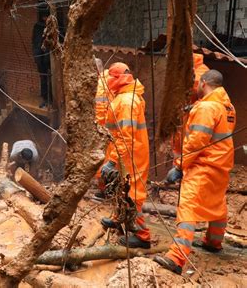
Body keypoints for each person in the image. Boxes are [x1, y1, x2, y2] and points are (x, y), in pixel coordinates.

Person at [154, 70, 236, 275]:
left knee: (188, 207)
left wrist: (179, 166)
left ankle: (177, 257)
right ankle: (213, 242)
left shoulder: (207, 107)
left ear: (204, 82)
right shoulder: (228, 106)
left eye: (198, 83)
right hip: (221, 165)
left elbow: (196, 143)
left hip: (204, 166)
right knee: (217, 203)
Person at [100, 62, 151, 249]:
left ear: (117, 79)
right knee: (122, 189)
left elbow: (125, 136)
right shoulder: (128, 97)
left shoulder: (126, 101)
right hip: (130, 154)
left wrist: (112, 160)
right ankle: (117, 217)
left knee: (132, 195)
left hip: (130, 157)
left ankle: (143, 236)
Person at [172, 53, 211, 161]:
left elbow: (207, 98)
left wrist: (192, 106)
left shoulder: (200, 74)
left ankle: (180, 166)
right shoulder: (186, 71)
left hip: (194, 114)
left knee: (191, 142)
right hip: (186, 114)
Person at [94, 58, 114, 199]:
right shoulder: (110, 80)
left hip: (105, 130)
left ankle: (104, 191)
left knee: (103, 162)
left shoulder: (101, 86)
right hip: (112, 129)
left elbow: (100, 112)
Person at [32, 3, 51, 108]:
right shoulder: (38, 27)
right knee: (43, 79)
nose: (45, 18)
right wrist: (37, 58)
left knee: (50, 79)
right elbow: (35, 43)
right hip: (41, 58)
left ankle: (50, 100)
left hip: (49, 58)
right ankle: (45, 99)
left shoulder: (52, 25)